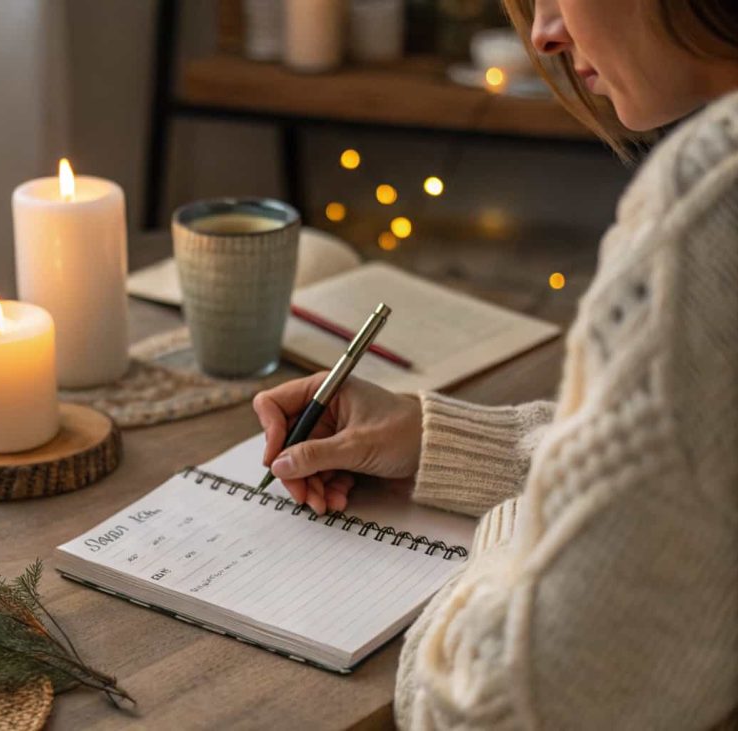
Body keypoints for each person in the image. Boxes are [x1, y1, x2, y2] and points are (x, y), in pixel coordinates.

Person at [253, 1, 738, 727]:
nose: (543, 34)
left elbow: (486, 707)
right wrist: (436, 436)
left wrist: (523, 524)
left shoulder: (706, 213)